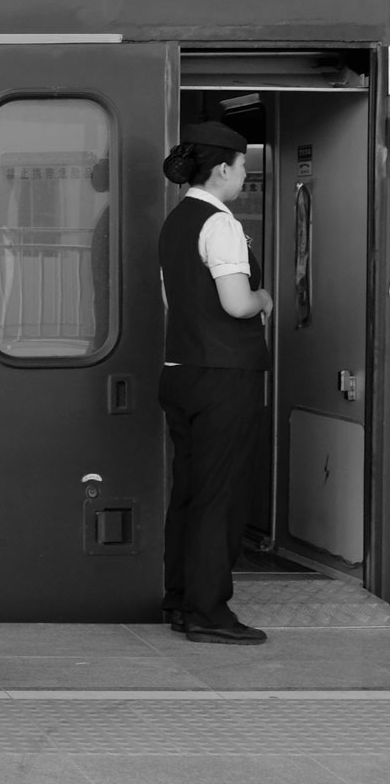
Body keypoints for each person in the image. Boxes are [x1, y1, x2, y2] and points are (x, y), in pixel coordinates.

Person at [158, 121, 272, 645]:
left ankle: (181, 601)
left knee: (190, 490)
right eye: (244, 166)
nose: (245, 175)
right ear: (223, 168)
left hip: (181, 372)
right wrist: (265, 300)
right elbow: (235, 302)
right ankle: (208, 612)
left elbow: (173, 304)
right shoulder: (221, 224)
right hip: (225, 376)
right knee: (219, 496)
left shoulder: (176, 220)